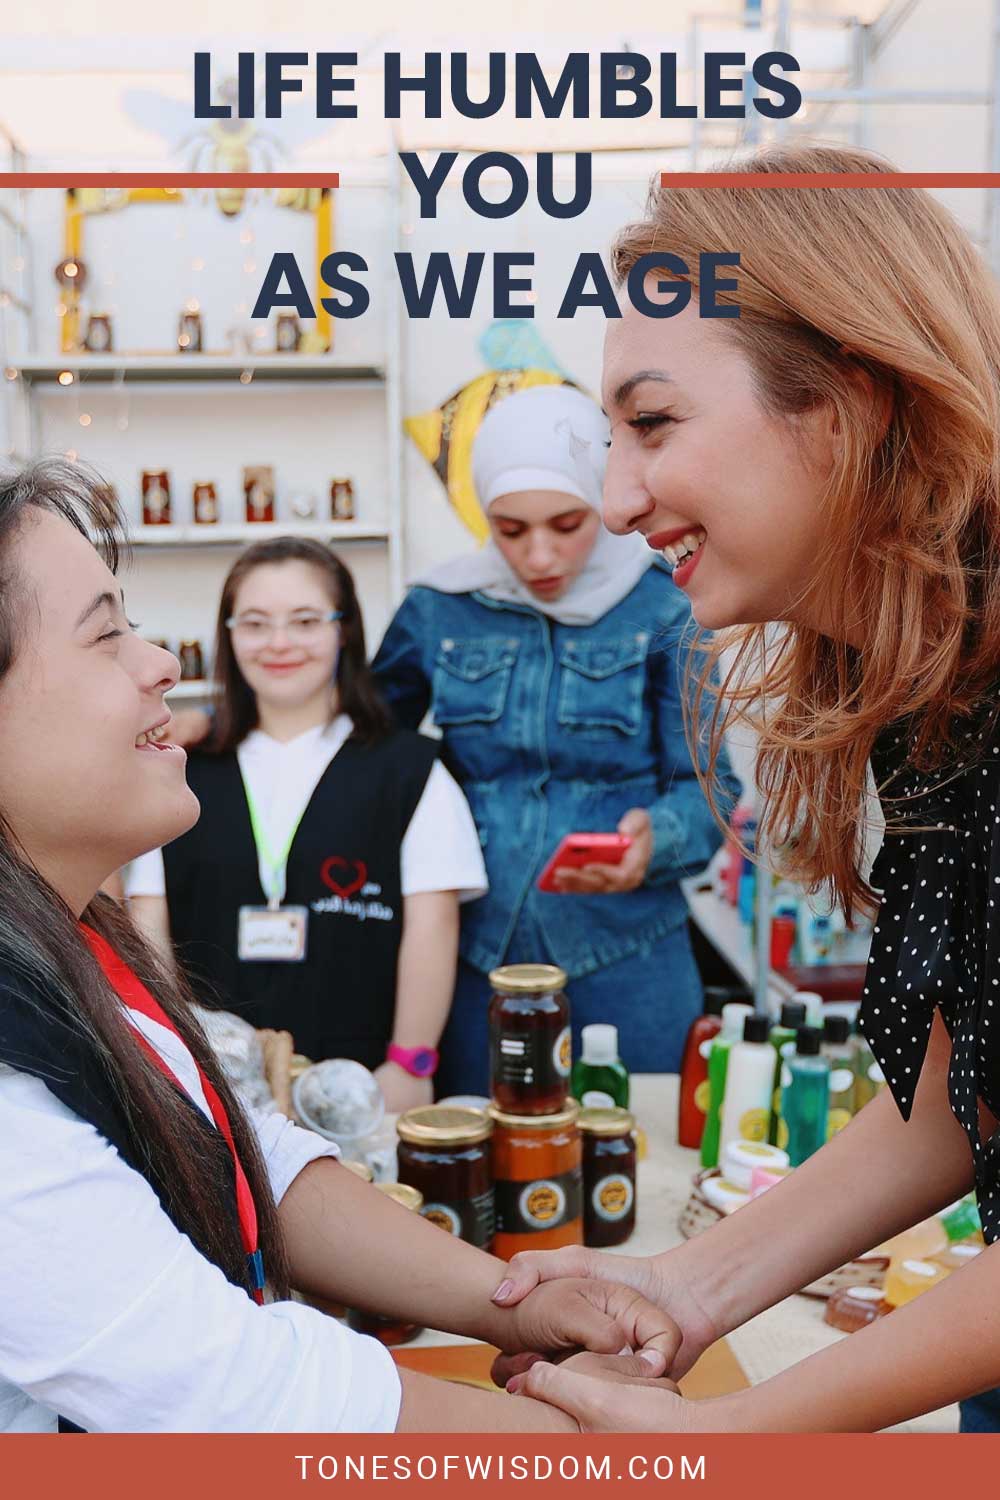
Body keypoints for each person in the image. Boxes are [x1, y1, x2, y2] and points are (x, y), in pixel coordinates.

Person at [0, 458, 681, 1434]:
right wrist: (603, 1446)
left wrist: (516, 1300)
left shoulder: (74, 944)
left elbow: (238, 1145)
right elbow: (238, 1391)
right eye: (107, 635)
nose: (159, 663)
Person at [486, 144, 1000, 1433]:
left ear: (848, 401)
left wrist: (734, 1437)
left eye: (651, 423)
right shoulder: (933, 702)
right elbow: (958, 1099)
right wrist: (685, 1286)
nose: (613, 499)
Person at [371, 385, 740, 1095]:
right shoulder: (437, 610)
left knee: (639, 1160)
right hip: (472, 954)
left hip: (630, 956)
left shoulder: (669, 605)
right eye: (511, 530)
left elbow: (712, 785)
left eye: (567, 523)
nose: (539, 555)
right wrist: (219, 727)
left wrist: (654, 841)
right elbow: (360, 751)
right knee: (478, 1166)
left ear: (599, 501)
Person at [126, 537, 488, 1112]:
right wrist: (174, 1070)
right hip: (216, 1095)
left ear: (343, 629)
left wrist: (410, 1064)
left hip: (364, 1090)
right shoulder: (178, 768)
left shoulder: (411, 770)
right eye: (255, 623)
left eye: (304, 621)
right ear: (229, 634)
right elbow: (149, 926)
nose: (279, 643)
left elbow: (433, 927)